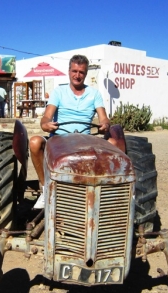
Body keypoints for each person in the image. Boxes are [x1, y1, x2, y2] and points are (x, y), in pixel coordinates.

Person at [29, 55, 112, 209]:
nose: (77, 75)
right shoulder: (59, 92)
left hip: (86, 140)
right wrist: (46, 124)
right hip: (60, 139)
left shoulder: (94, 94)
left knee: (114, 144)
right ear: (69, 71)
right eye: (74, 71)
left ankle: (107, 191)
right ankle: (45, 187)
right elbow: (46, 116)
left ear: (85, 74)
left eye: (81, 72)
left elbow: (104, 119)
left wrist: (104, 125)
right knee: (34, 142)